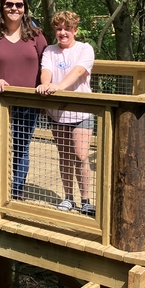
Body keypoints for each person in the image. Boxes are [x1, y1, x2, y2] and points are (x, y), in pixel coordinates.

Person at [0, 0, 48, 201]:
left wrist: (47, 88)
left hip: (28, 100)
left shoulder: (35, 34)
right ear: (2, 6)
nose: (14, 8)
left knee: (21, 145)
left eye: (19, 5)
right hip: (0, 101)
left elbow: (47, 63)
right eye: (9, 4)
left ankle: (16, 190)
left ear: (25, 8)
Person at [36, 11, 96, 217]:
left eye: (66, 29)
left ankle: (86, 200)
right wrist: (45, 86)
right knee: (65, 156)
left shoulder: (85, 49)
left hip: (81, 112)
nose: (62, 33)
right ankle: (68, 197)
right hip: (58, 114)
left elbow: (79, 71)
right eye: (59, 29)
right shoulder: (49, 51)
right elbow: (46, 71)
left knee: (81, 156)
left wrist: (59, 86)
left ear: (75, 30)